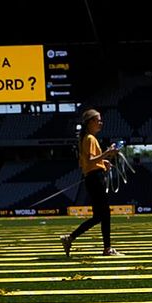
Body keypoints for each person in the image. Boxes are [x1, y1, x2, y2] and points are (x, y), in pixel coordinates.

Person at [61, 108, 122, 256]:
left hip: (92, 177)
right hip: (95, 178)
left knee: (99, 216)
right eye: (98, 120)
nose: (101, 122)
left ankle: (70, 238)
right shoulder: (89, 138)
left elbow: (89, 162)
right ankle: (107, 248)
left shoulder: (87, 138)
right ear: (90, 122)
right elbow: (89, 160)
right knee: (104, 214)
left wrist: (103, 162)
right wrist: (107, 153)